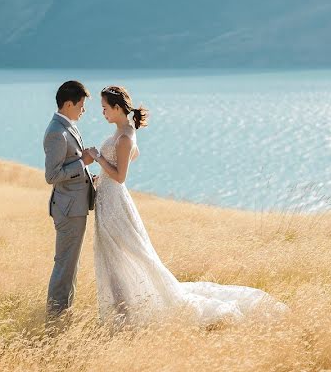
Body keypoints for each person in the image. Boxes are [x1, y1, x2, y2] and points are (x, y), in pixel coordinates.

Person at [88, 85, 288, 327]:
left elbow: (120, 176)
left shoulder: (125, 136)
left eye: (105, 108)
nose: (102, 113)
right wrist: (102, 174)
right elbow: (132, 157)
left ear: (118, 108)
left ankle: (127, 314)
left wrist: (98, 157)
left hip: (115, 202)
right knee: (116, 256)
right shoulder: (126, 131)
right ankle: (123, 312)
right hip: (109, 198)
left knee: (127, 254)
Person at [43, 80, 97, 320]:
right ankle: (55, 315)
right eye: (81, 105)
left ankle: (64, 312)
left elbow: (69, 166)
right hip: (67, 210)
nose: (83, 110)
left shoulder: (68, 126)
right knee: (65, 264)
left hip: (74, 207)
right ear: (68, 104)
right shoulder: (56, 132)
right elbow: (52, 175)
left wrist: (87, 176)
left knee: (71, 264)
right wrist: (82, 164)